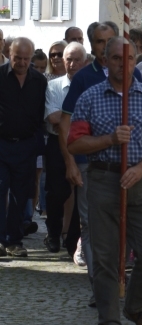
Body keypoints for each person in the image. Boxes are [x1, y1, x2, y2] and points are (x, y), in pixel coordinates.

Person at [68, 37, 142, 325]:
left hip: (139, 182)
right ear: (105, 60)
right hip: (103, 180)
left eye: (127, 59)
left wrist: (141, 169)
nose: (121, 64)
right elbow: (75, 144)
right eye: (115, 58)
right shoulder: (89, 97)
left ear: (135, 61)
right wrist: (110, 139)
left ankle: (135, 307)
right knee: (104, 257)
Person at [59, 22, 133, 281]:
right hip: (88, 161)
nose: (105, 47)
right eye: (100, 42)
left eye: (109, 41)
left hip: (123, 162)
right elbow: (65, 122)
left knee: (120, 219)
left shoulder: (130, 75)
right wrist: (70, 162)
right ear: (92, 45)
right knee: (90, 222)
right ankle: (98, 281)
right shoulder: (84, 77)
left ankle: (116, 273)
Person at [0, 38, 48, 259]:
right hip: (1, 143)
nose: (21, 62)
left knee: (21, 195)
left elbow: (41, 114)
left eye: (26, 59)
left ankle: (14, 240)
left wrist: (36, 143)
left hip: (26, 145)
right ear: (9, 53)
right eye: (17, 57)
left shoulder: (39, 81)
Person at [43, 41, 87, 253]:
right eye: (68, 59)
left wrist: (67, 116)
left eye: (76, 59)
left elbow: (66, 117)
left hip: (81, 145)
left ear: (84, 61)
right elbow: (53, 118)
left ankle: (73, 240)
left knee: (81, 193)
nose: (72, 64)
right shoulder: (53, 86)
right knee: (56, 192)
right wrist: (77, 117)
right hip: (55, 143)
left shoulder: (90, 86)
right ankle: (53, 233)